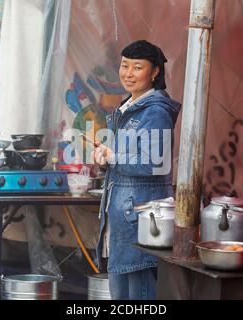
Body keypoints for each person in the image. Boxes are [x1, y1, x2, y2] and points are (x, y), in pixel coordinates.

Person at [92, 40, 181, 300]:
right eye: (124, 66)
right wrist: (105, 156)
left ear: (154, 72)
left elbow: (155, 162)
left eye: (137, 67)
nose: (128, 74)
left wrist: (113, 157)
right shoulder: (129, 108)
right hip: (123, 218)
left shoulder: (155, 111)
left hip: (142, 221)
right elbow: (126, 158)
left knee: (138, 294)